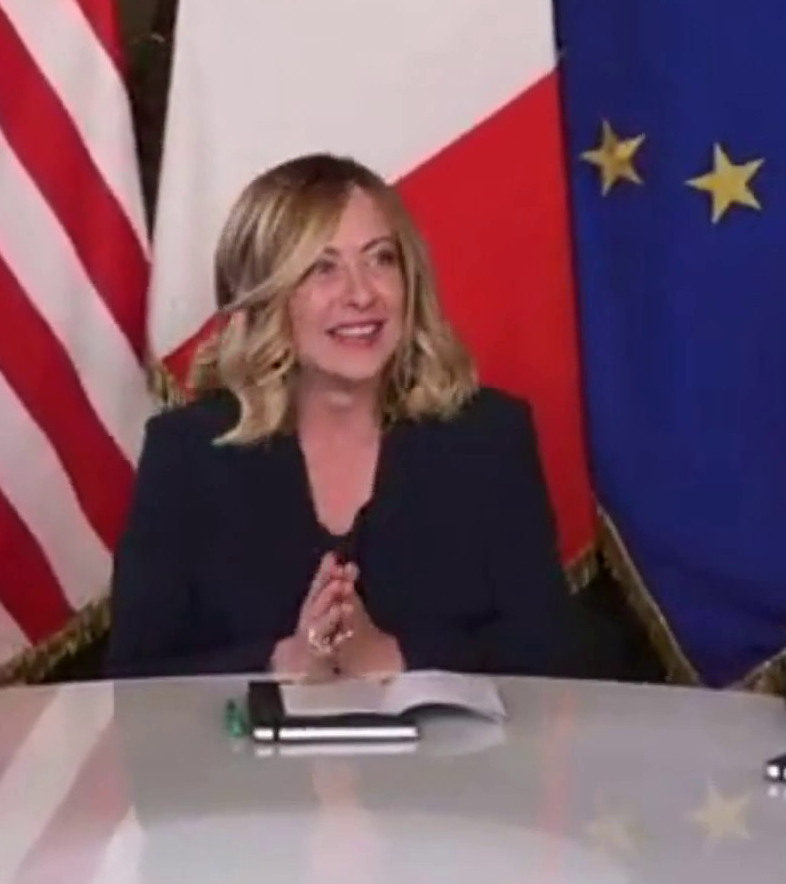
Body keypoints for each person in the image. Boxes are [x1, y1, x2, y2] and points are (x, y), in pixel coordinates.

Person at [106, 153, 580, 679]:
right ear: (263, 298)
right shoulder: (187, 452)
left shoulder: (489, 437)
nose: (361, 294)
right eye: (322, 268)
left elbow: (550, 653)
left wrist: (392, 656)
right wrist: (284, 661)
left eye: (380, 259)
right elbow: (132, 676)